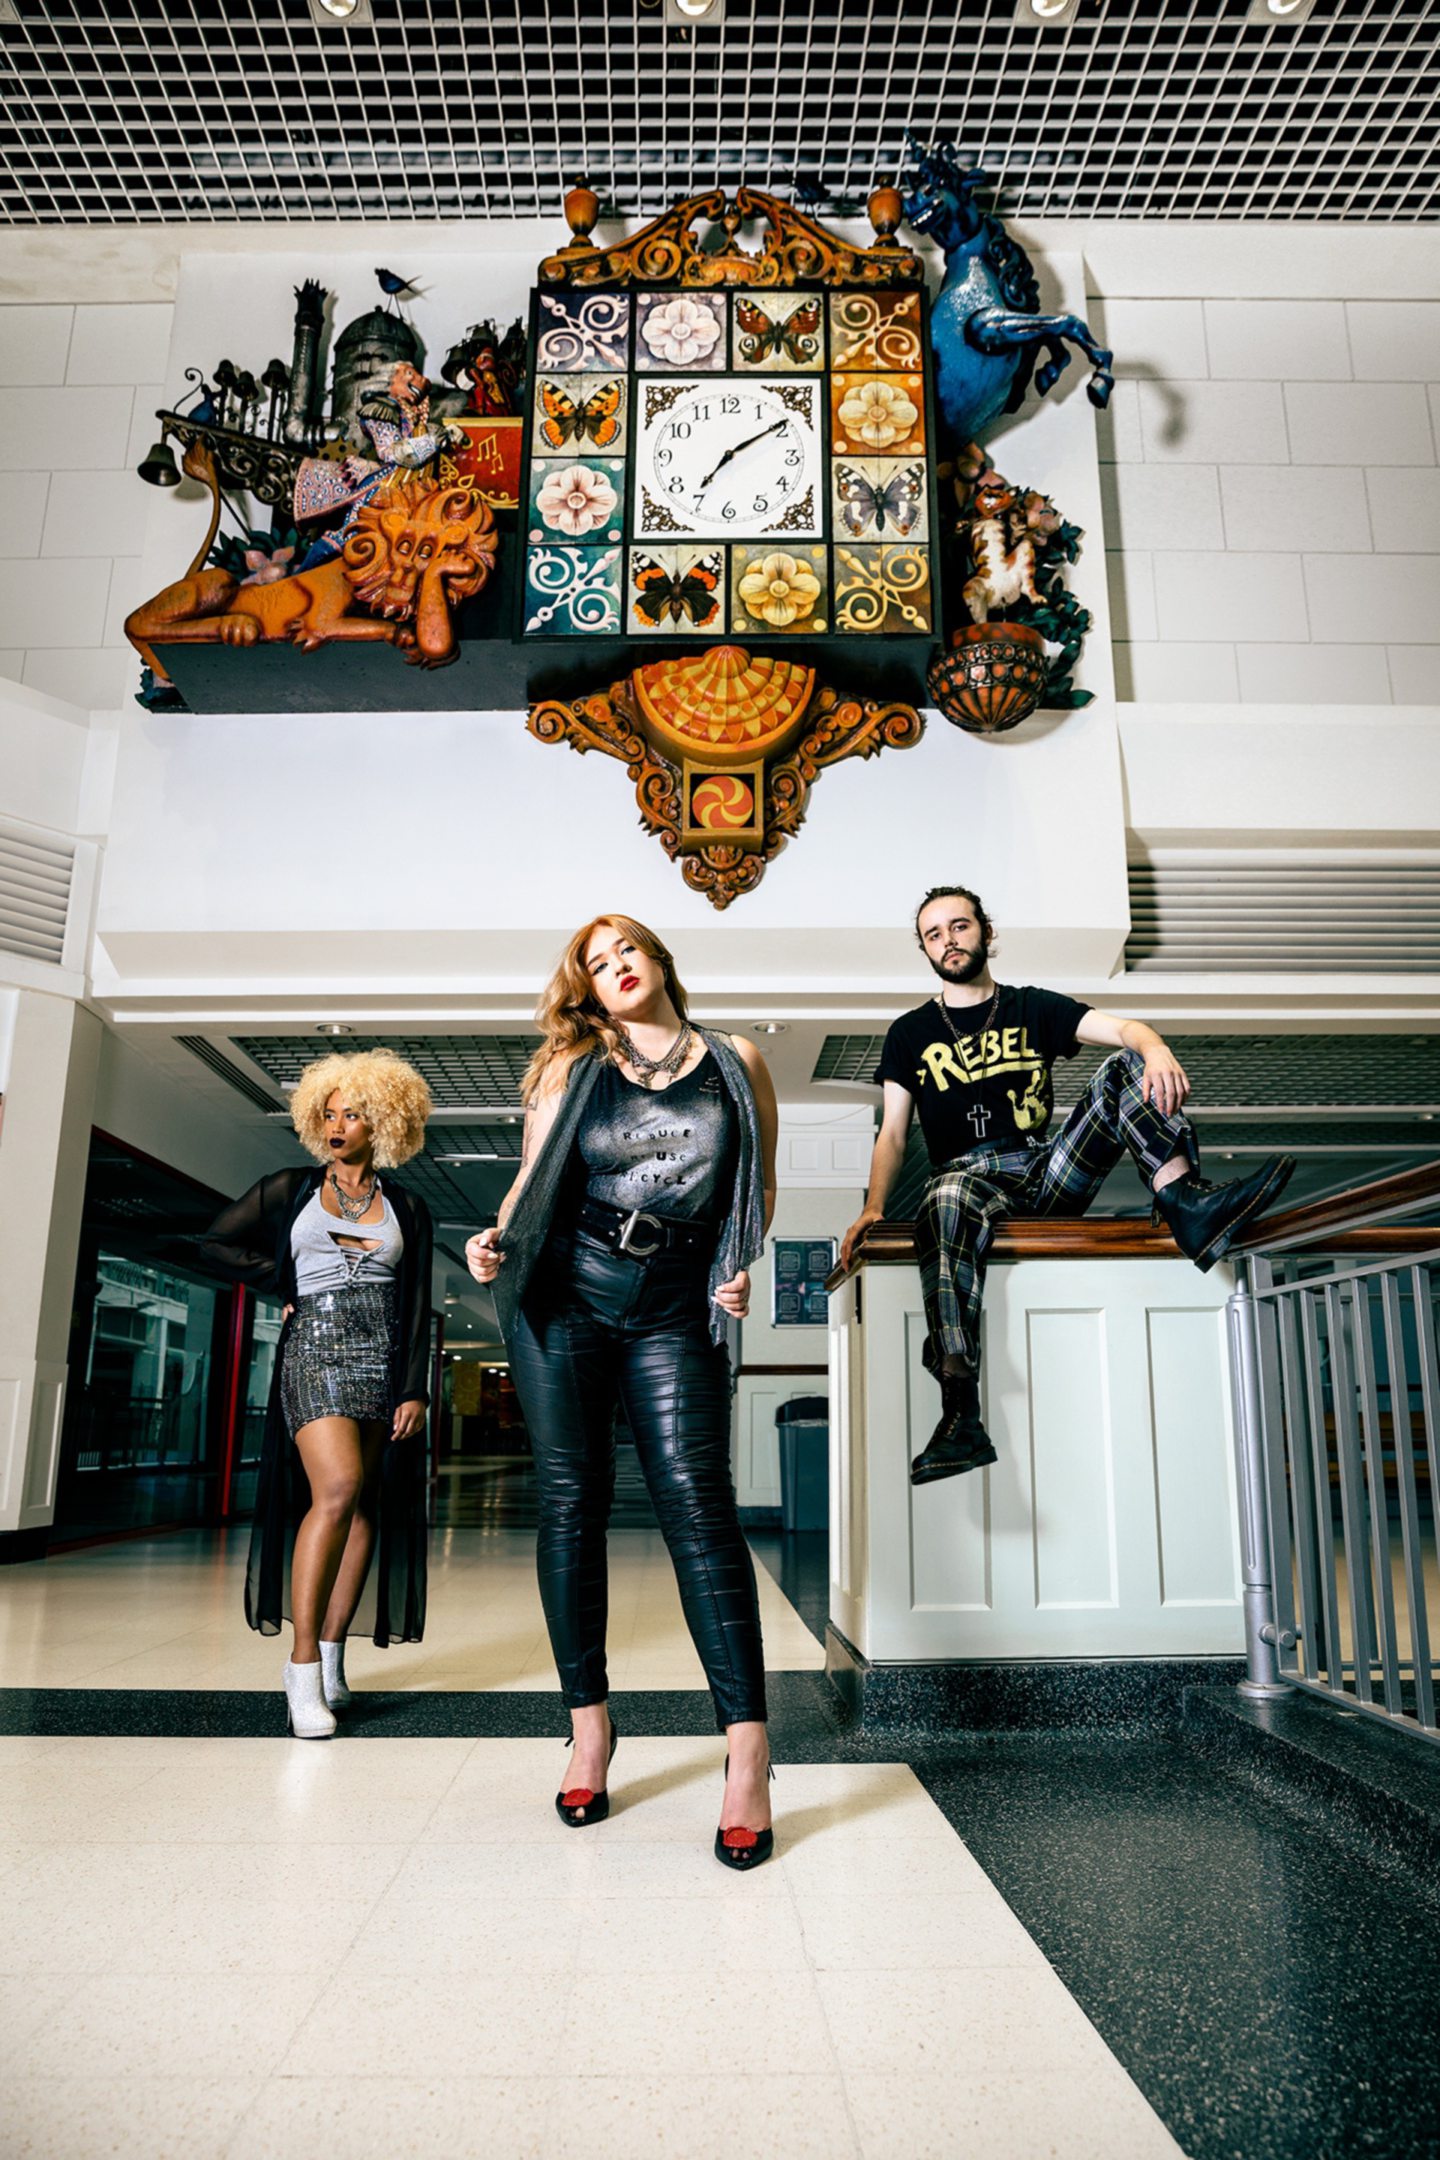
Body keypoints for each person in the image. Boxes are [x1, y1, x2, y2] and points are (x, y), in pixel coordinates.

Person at [466, 914, 779, 1869]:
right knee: (571, 1503)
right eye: (595, 966)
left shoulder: (737, 1060)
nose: (614, 971)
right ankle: (590, 1730)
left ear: (658, 961)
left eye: (625, 952)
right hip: (563, 1290)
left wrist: (740, 1262)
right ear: (591, 989)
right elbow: (531, 1181)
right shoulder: (572, 1068)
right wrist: (494, 1241)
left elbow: (755, 1186)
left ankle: (750, 1759)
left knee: (699, 1504)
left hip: (677, 1298)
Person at [840, 885, 1294, 1485]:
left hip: (1040, 1168)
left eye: (959, 926)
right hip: (965, 1180)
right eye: (934, 933)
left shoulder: (1032, 1006)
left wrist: (1153, 1045)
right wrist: (873, 1208)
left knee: (1123, 1065)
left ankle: (1186, 1201)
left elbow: (1124, 1027)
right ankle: (959, 1412)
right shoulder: (910, 1032)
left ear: (985, 932)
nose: (948, 940)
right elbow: (893, 1135)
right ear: (925, 949)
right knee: (943, 1197)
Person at [201, 1048, 434, 1737]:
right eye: (329, 1113)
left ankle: (333, 1651)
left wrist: (415, 1387)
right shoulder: (288, 1188)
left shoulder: (409, 1208)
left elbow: (418, 1303)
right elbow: (214, 1243)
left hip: (382, 1357)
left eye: (353, 1113)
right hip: (315, 1354)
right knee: (337, 1489)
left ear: (383, 1123)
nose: (338, 1124)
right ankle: (301, 1668)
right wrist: (288, 1284)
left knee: (363, 1505)